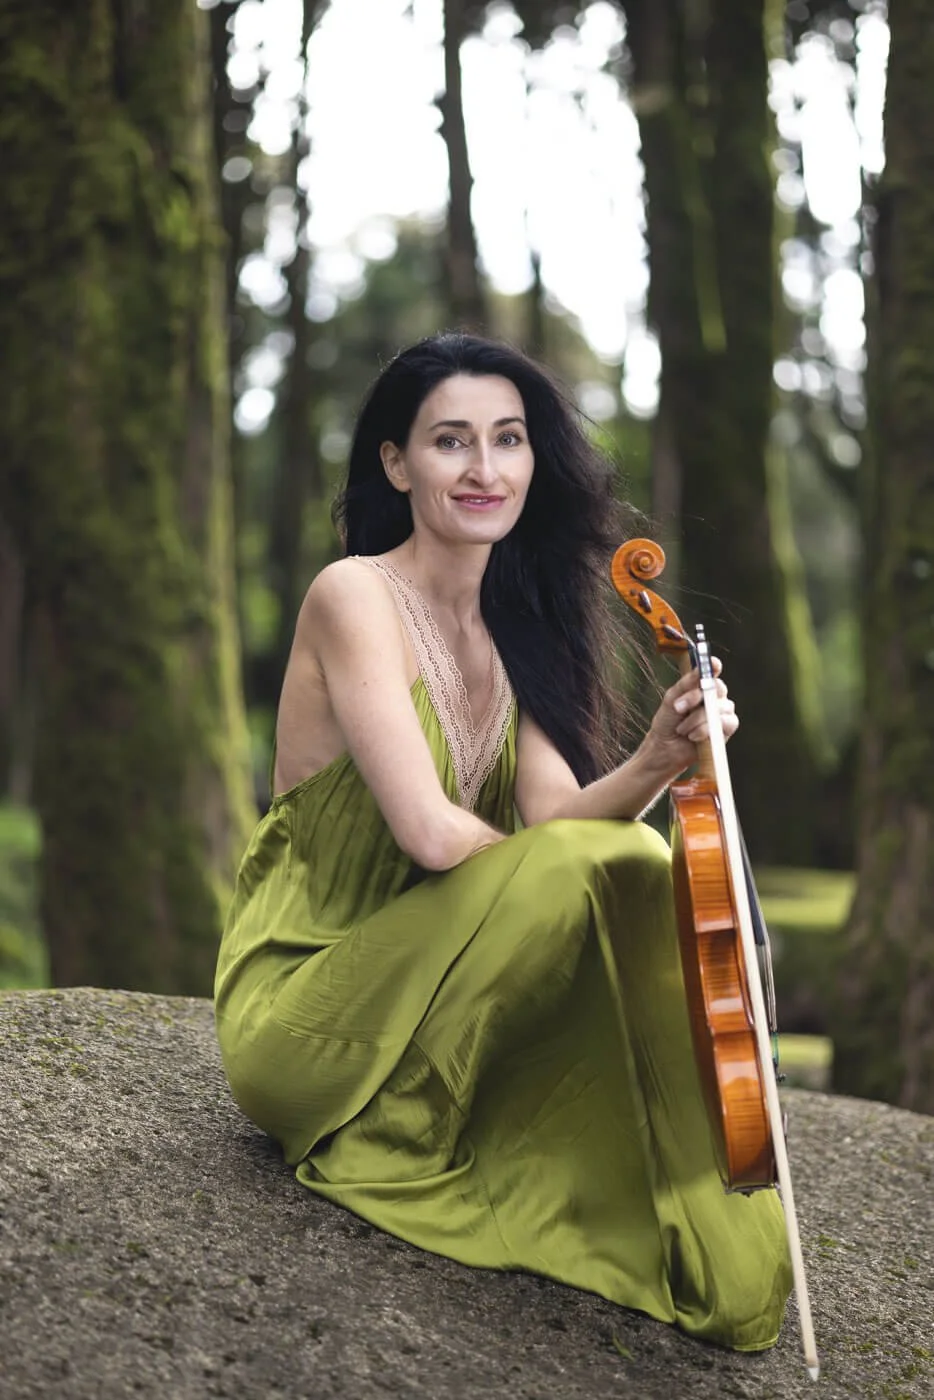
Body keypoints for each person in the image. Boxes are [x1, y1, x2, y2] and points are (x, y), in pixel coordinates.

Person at [214, 332, 792, 1352]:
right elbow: (434, 833)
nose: (485, 469)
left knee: (628, 858)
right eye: (451, 441)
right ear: (397, 462)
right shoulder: (354, 594)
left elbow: (560, 818)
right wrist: (585, 886)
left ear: (536, 460)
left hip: (434, 984)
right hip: (306, 1009)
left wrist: (661, 754)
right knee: (606, 867)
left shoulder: (519, 622)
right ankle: (393, 1119)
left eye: (508, 439)